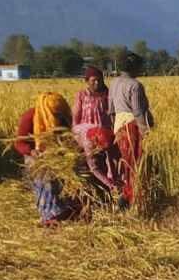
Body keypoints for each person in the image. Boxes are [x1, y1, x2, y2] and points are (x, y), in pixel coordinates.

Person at [11, 91, 80, 226]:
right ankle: (49, 215)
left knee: (71, 175)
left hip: (57, 155)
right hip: (35, 156)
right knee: (45, 177)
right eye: (54, 113)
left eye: (58, 113)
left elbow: (67, 137)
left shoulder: (63, 117)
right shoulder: (30, 116)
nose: (56, 117)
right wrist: (32, 151)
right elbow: (19, 143)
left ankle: (68, 209)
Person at [106, 53, 154, 206]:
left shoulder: (114, 83)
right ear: (134, 67)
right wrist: (146, 132)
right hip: (132, 127)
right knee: (136, 164)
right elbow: (138, 112)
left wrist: (115, 127)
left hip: (119, 127)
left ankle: (126, 197)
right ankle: (131, 199)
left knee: (125, 164)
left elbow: (111, 110)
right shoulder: (135, 85)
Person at [71, 65, 122, 200]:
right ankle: (98, 196)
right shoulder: (82, 95)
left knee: (110, 165)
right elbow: (76, 117)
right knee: (92, 167)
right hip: (87, 137)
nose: (97, 82)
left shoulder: (109, 94)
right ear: (87, 81)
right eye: (93, 80)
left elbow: (114, 115)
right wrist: (76, 136)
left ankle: (112, 192)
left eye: (99, 79)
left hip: (106, 137)